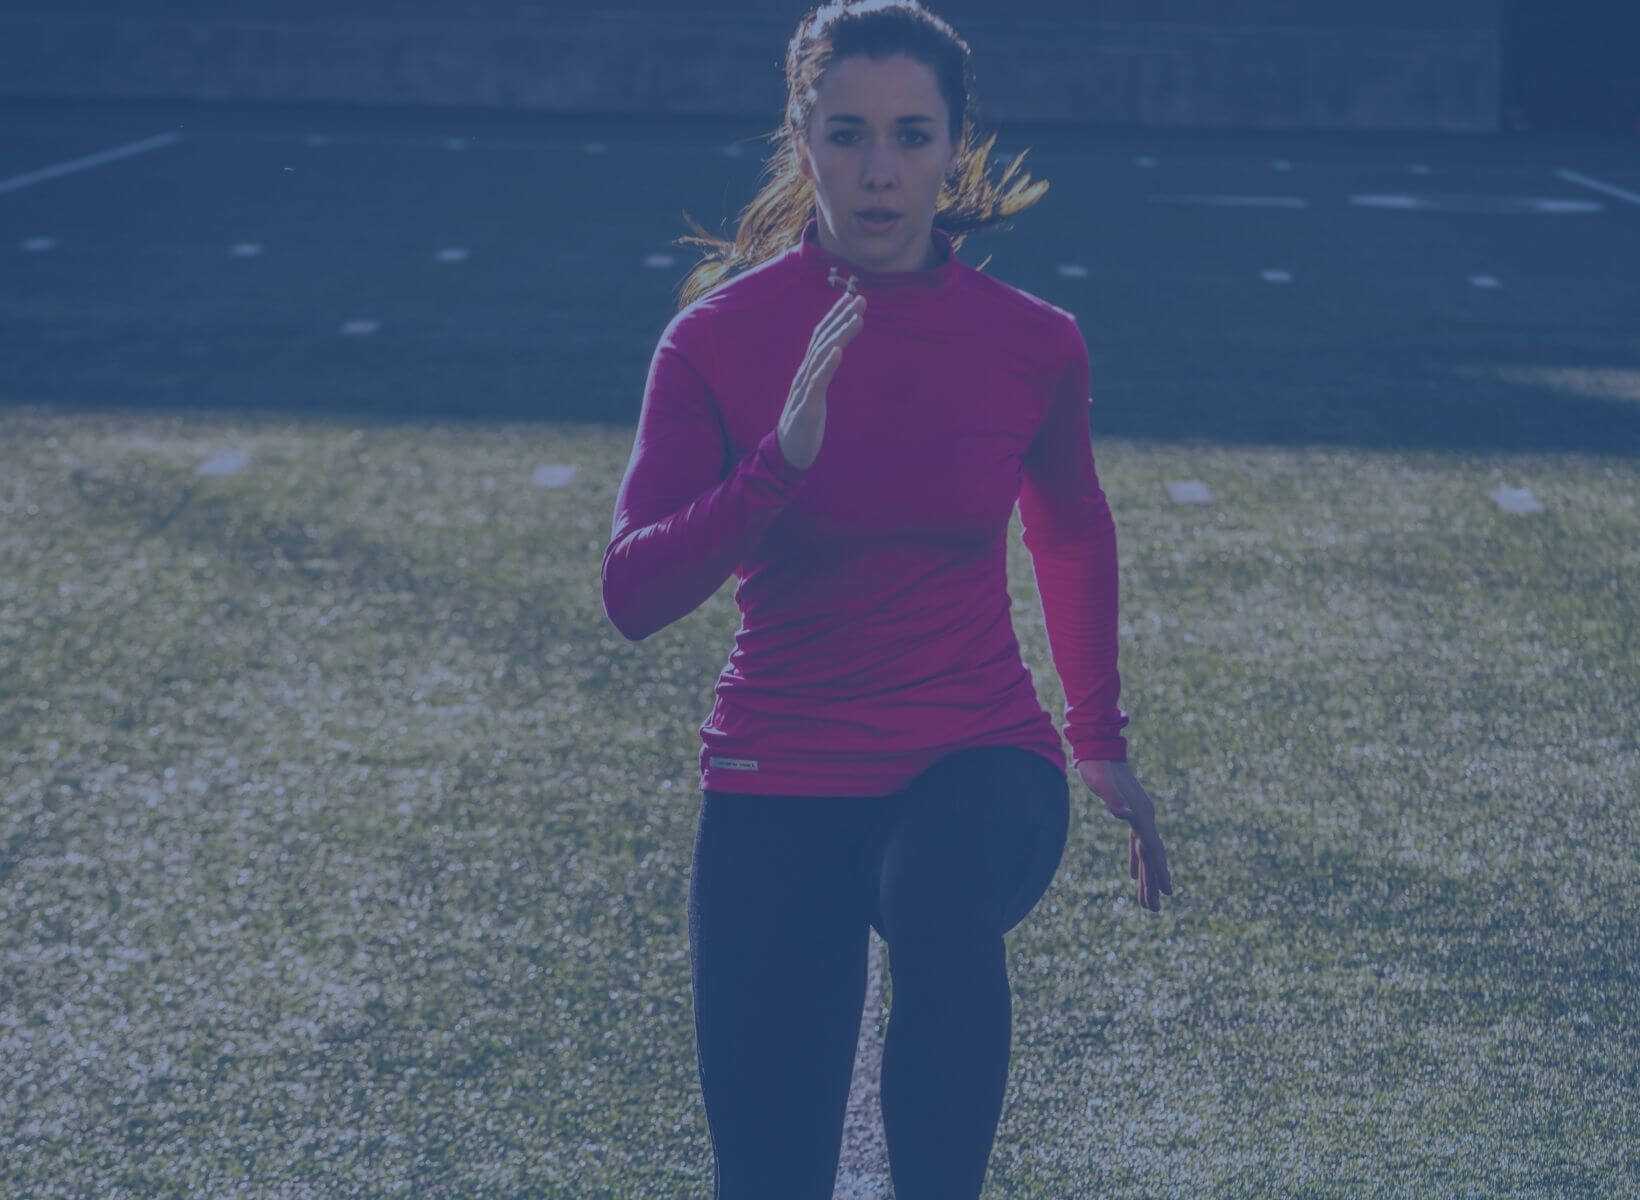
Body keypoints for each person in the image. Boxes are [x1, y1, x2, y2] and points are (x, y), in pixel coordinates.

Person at [601, 3, 1173, 1195]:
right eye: (847, 133)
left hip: (977, 753)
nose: (878, 170)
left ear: (953, 145)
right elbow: (634, 592)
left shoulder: (1032, 343)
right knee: (767, 1177)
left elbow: (1067, 524)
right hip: (777, 768)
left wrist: (1099, 739)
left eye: (911, 136)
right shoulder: (714, 342)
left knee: (937, 893)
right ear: (799, 138)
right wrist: (776, 468)